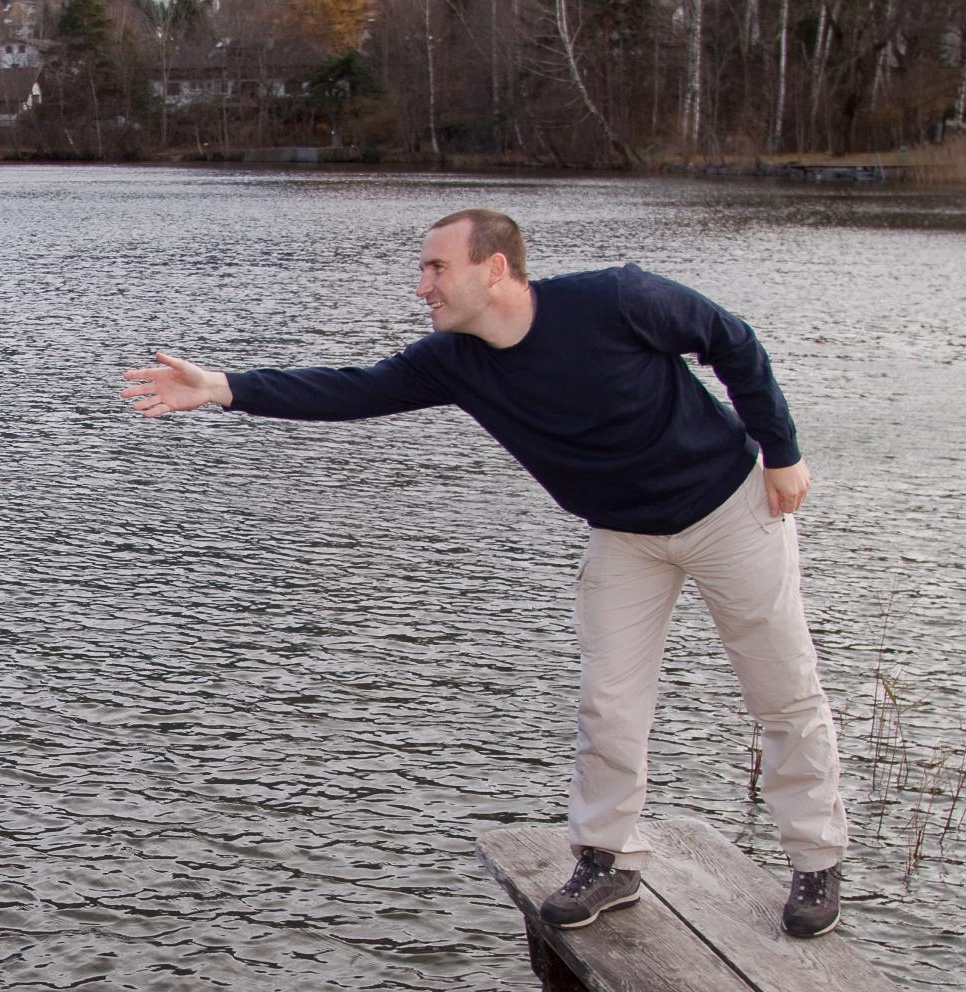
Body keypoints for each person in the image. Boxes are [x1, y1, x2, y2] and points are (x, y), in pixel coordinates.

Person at [119, 207, 847, 938]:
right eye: (422, 270)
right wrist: (221, 387)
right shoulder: (455, 361)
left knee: (782, 689)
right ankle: (610, 859)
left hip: (729, 507)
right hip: (626, 535)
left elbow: (731, 341)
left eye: (436, 268)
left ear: (494, 268)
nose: (421, 286)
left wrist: (780, 451)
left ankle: (816, 859)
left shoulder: (616, 300)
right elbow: (350, 390)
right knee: (610, 703)